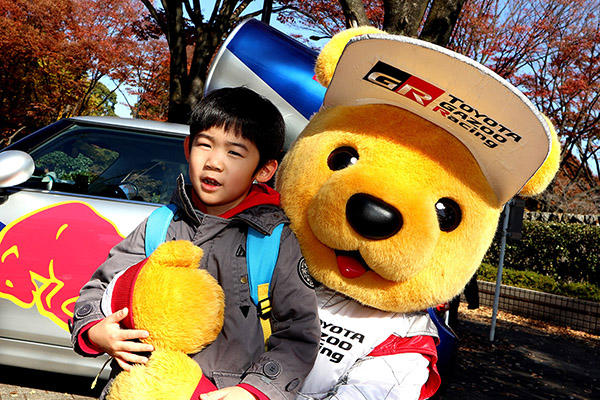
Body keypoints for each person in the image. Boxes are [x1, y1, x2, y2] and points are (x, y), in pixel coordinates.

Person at [70, 87, 320, 400]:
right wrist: (97, 330)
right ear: (188, 147)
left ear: (265, 170)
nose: (214, 162)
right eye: (205, 145)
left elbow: (298, 334)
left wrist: (254, 391)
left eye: (235, 152)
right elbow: (100, 289)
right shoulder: (161, 225)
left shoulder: (273, 239)